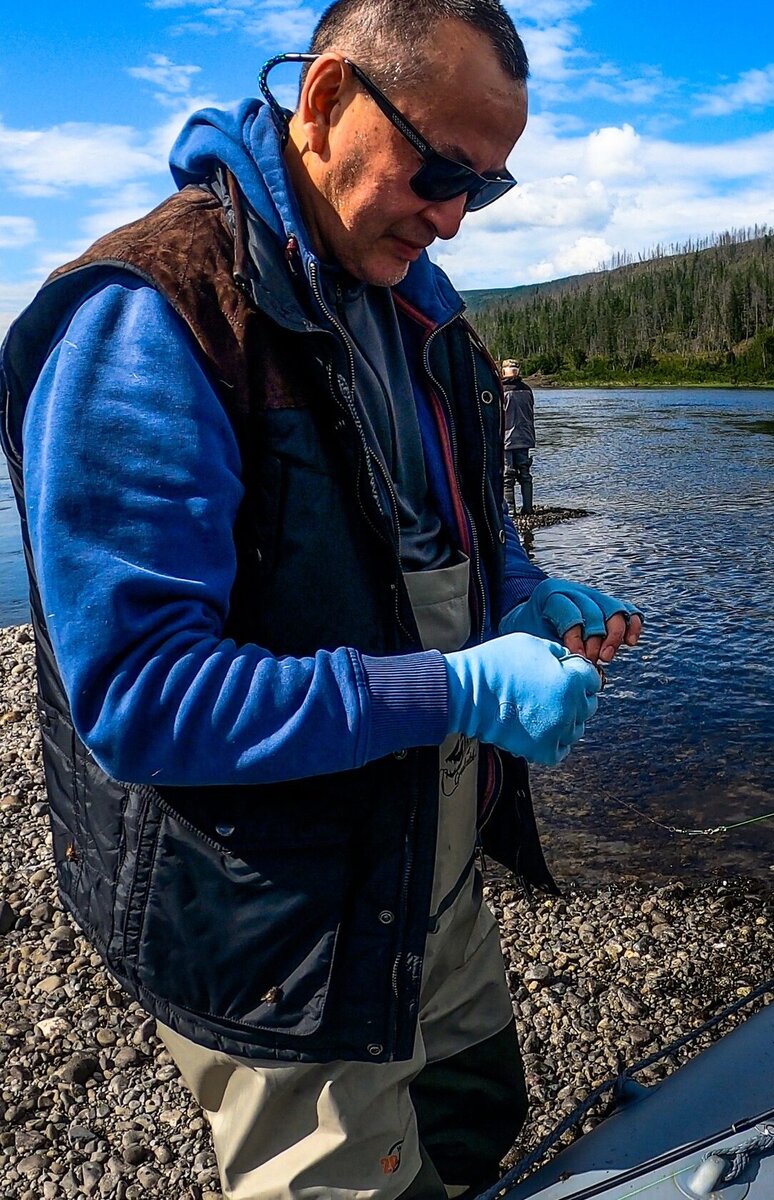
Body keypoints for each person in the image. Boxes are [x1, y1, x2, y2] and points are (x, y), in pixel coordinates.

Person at [0, 2, 644, 1198]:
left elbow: (463, 524)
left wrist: (524, 592)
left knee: (473, 1109)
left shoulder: (424, 310)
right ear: (328, 99)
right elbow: (137, 697)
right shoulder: (148, 315)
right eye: (439, 169)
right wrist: (453, 687)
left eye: (485, 190)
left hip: (422, 871)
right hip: (273, 922)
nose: (452, 216)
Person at [500, 358, 535, 515]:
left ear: (503, 371)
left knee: (507, 475)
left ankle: (510, 511)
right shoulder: (527, 389)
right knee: (525, 474)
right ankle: (528, 508)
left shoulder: (501, 390)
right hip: (525, 437)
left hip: (506, 438)